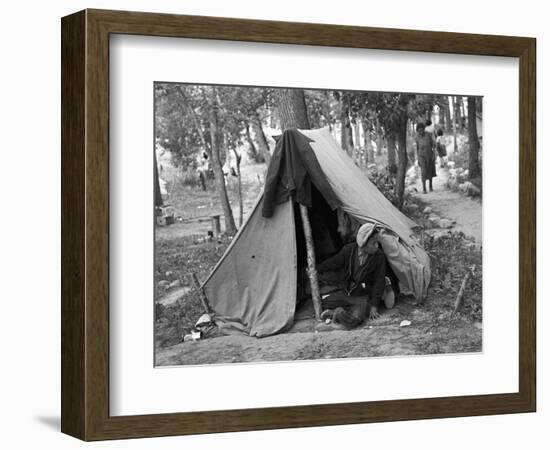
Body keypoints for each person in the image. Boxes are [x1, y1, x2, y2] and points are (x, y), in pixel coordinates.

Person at [315, 223, 395, 329]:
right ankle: (336, 312)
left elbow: (378, 281)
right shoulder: (349, 250)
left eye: (377, 242)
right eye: (373, 243)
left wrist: (374, 305)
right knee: (322, 302)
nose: (376, 246)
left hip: (362, 297)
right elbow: (334, 262)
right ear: (363, 244)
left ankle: (338, 313)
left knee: (355, 319)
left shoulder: (378, 257)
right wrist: (317, 268)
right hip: (346, 293)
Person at [415, 122, 437, 193]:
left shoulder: (429, 135)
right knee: (423, 171)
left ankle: (430, 186)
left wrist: (434, 154)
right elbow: (417, 148)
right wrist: (418, 158)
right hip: (421, 156)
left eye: (421, 130)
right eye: (419, 130)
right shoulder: (417, 137)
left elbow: (433, 145)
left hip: (429, 155)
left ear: (424, 129)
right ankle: (424, 188)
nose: (420, 132)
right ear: (417, 130)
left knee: (430, 170)